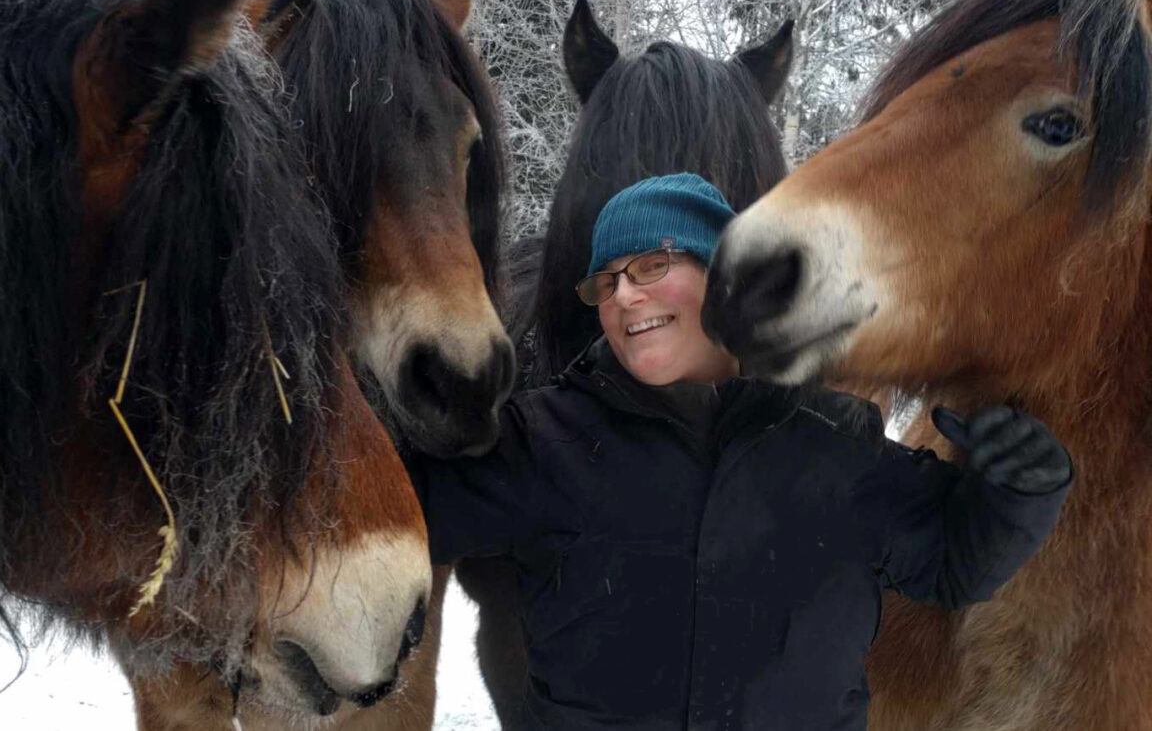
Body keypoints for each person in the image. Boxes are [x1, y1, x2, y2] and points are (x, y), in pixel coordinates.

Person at [408, 173, 1071, 731]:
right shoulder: (543, 441)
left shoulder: (834, 444)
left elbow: (957, 562)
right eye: (604, 283)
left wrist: (1020, 488)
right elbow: (401, 508)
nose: (624, 295)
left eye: (650, 266)